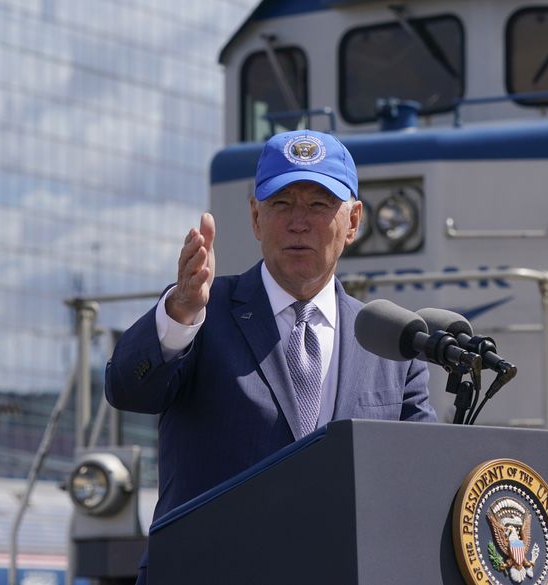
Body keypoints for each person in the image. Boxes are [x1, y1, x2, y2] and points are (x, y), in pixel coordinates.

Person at [105, 129, 436, 582]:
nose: (298, 222)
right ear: (256, 218)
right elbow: (126, 387)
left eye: (319, 204)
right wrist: (179, 312)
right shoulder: (201, 312)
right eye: (281, 204)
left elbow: (422, 479)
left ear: (353, 221)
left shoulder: (392, 341)